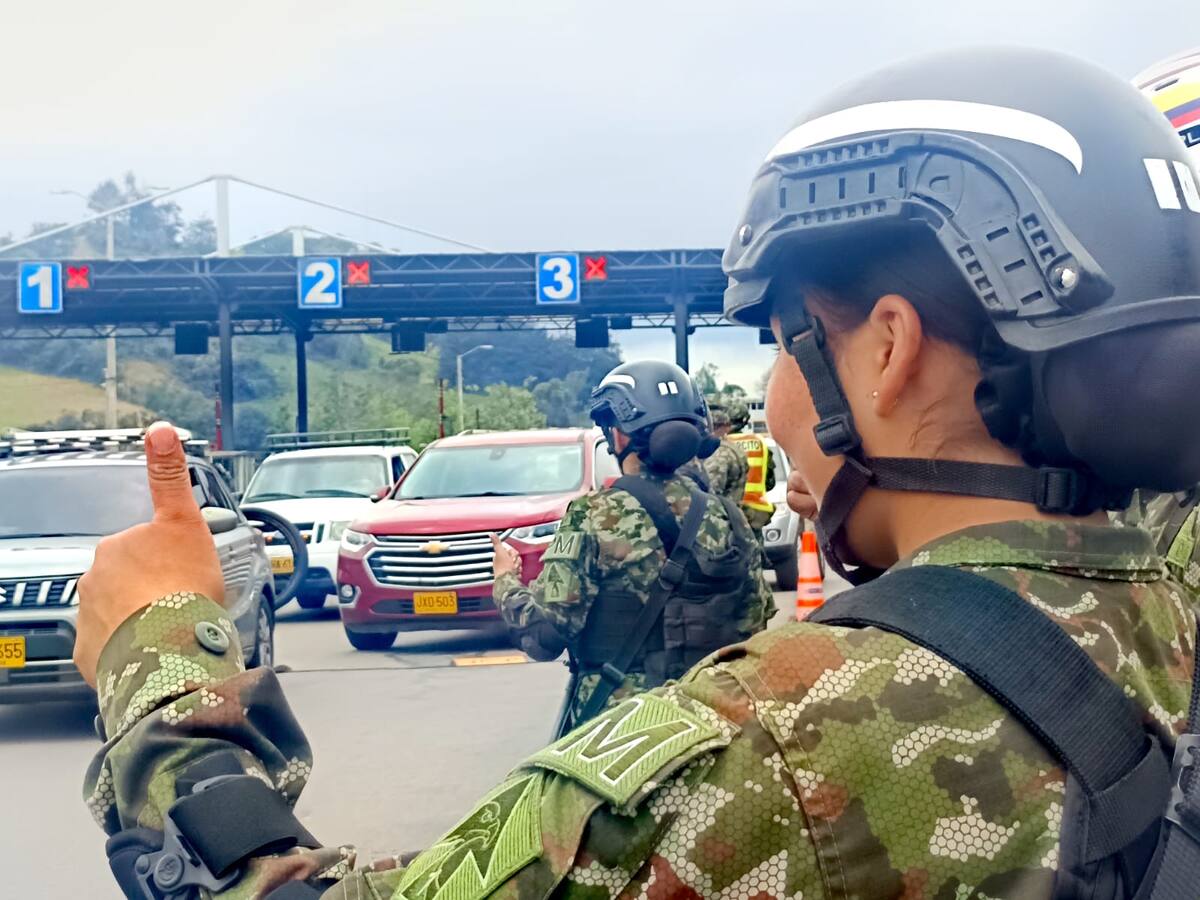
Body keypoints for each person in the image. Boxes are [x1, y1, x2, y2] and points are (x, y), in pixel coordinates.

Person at [78, 47, 1200, 900]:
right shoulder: (1171, 610)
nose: (771, 393)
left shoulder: (781, 740)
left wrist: (161, 658)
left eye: (780, 340)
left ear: (890, 350)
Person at [492, 360, 775, 736]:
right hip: (718, 723)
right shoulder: (731, 517)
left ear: (620, 436)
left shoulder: (593, 515)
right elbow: (754, 624)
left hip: (620, 735)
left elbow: (544, 636)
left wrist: (505, 580)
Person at [700, 396, 750, 501]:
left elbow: (711, 491)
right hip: (734, 511)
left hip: (721, 513)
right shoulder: (735, 449)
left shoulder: (719, 453)